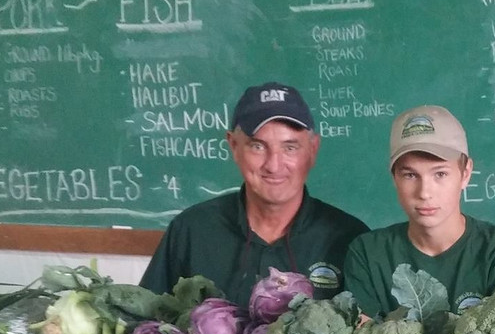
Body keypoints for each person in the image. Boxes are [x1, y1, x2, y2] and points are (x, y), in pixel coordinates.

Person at [140, 82, 368, 305]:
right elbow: (145, 328)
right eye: (258, 146)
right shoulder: (190, 231)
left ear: (313, 150)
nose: (274, 165)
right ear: (233, 146)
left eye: (290, 147)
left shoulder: (352, 241)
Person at [342, 105, 495, 317]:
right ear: (394, 177)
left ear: (466, 173)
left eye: (440, 174)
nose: (424, 193)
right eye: (410, 175)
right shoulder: (367, 254)